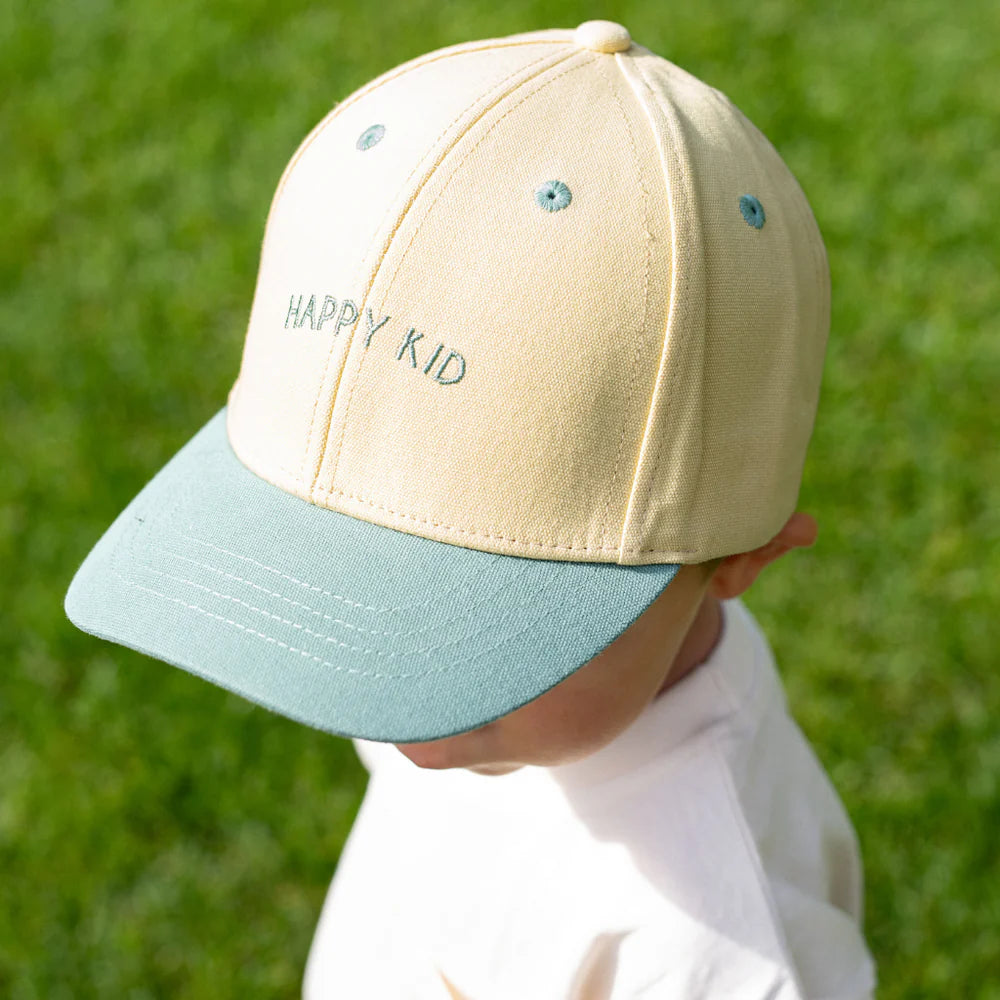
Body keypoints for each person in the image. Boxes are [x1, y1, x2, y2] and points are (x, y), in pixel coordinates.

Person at [64, 19, 878, 999]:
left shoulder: (709, 945)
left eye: (483, 630)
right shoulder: (506, 725)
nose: (393, 695)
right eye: (357, 570)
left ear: (741, 553)